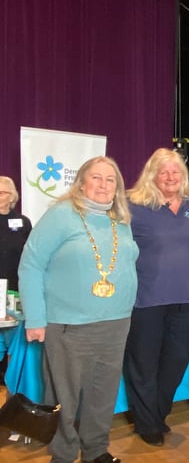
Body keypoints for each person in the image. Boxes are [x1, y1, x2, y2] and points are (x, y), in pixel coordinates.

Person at [18, 156, 138, 463]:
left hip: (115, 323)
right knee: (64, 397)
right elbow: (31, 265)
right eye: (96, 177)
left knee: (103, 394)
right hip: (69, 325)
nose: (103, 184)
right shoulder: (61, 214)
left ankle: (96, 450)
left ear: (118, 187)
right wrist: (35, 318)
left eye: (110, 179)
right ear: (81, 182)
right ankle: (63, 453)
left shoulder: (120, 219)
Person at [124, 148, 189, 447]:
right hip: (146, 299)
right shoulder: (134, 206)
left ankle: (156, 412)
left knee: (177, 358)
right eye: (164, 172)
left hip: (183, 297)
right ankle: (147, 423)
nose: (170, 177)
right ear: (152, 175)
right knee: (144, 363)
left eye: (175, 171)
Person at [0, 176, 32, 384]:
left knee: (15, 341)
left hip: (15, 291)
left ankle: (11, 385)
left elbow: (32, 255)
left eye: (2, 192)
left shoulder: (22, 222)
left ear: (12, 196)